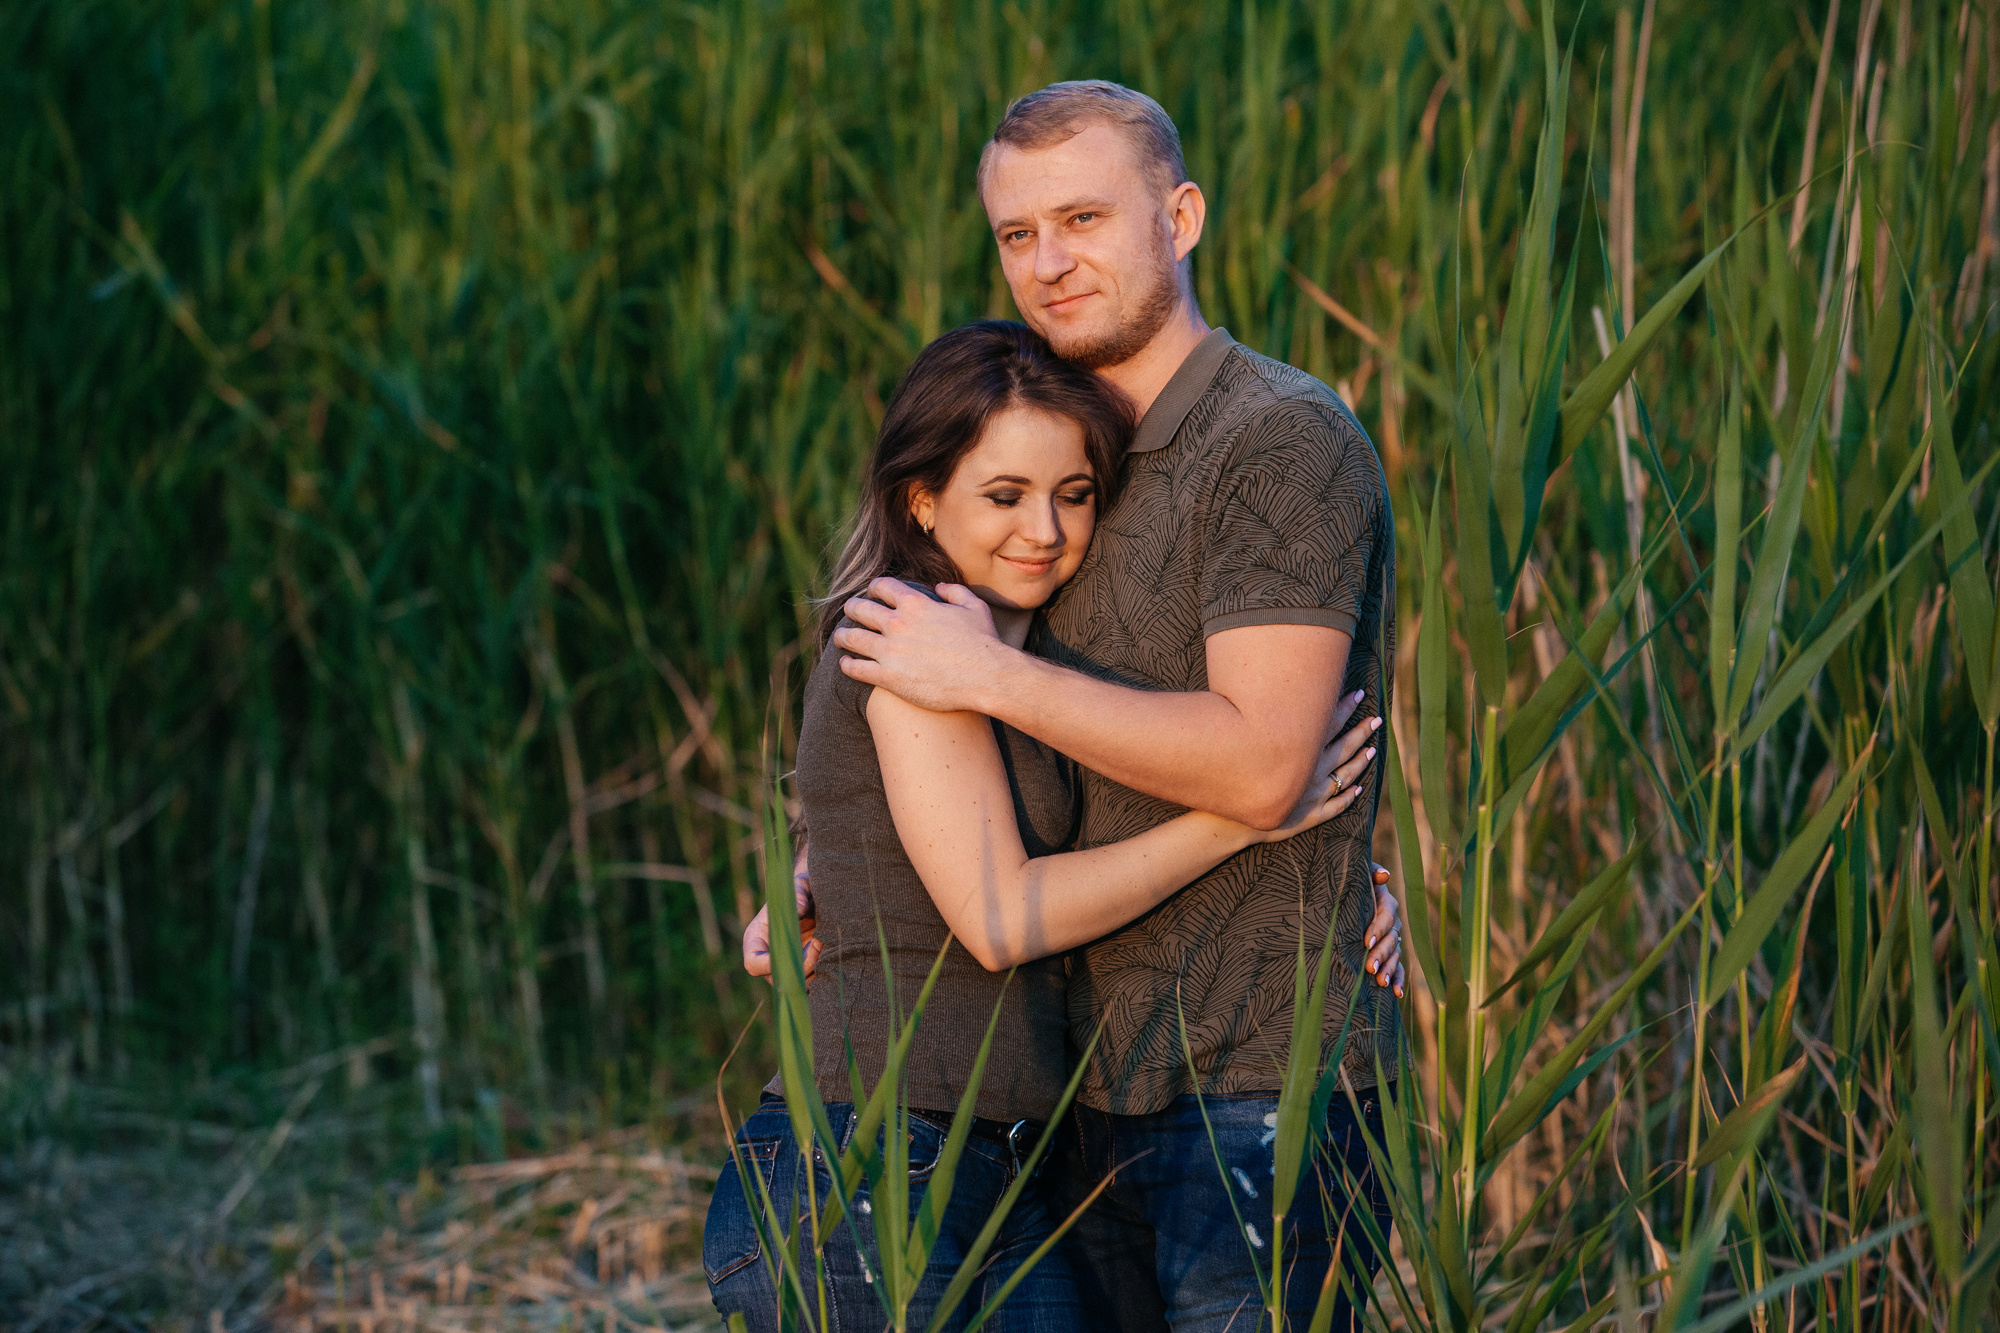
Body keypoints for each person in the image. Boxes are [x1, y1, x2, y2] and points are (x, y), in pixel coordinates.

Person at [824, 82, 1402, 1333]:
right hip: (1080, 1089)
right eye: (1016, 234)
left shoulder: (1275, 440)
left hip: (1254, 1080)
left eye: (1082, 217)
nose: (1048, 262)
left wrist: (988, 676)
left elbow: (1260, 766)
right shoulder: (1056, 460)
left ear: (1180, 216)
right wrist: (830, 873)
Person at [704, 320, 1387, 1332]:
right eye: (1004, 495)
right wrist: (1246, 817)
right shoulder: (911, 641)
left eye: (1073, 495)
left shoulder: (1018, 664)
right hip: (869, 1160)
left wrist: (1357, 871)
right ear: (920, 497)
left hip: (1002, 1162)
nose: (1044, 529)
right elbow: (999, 918)